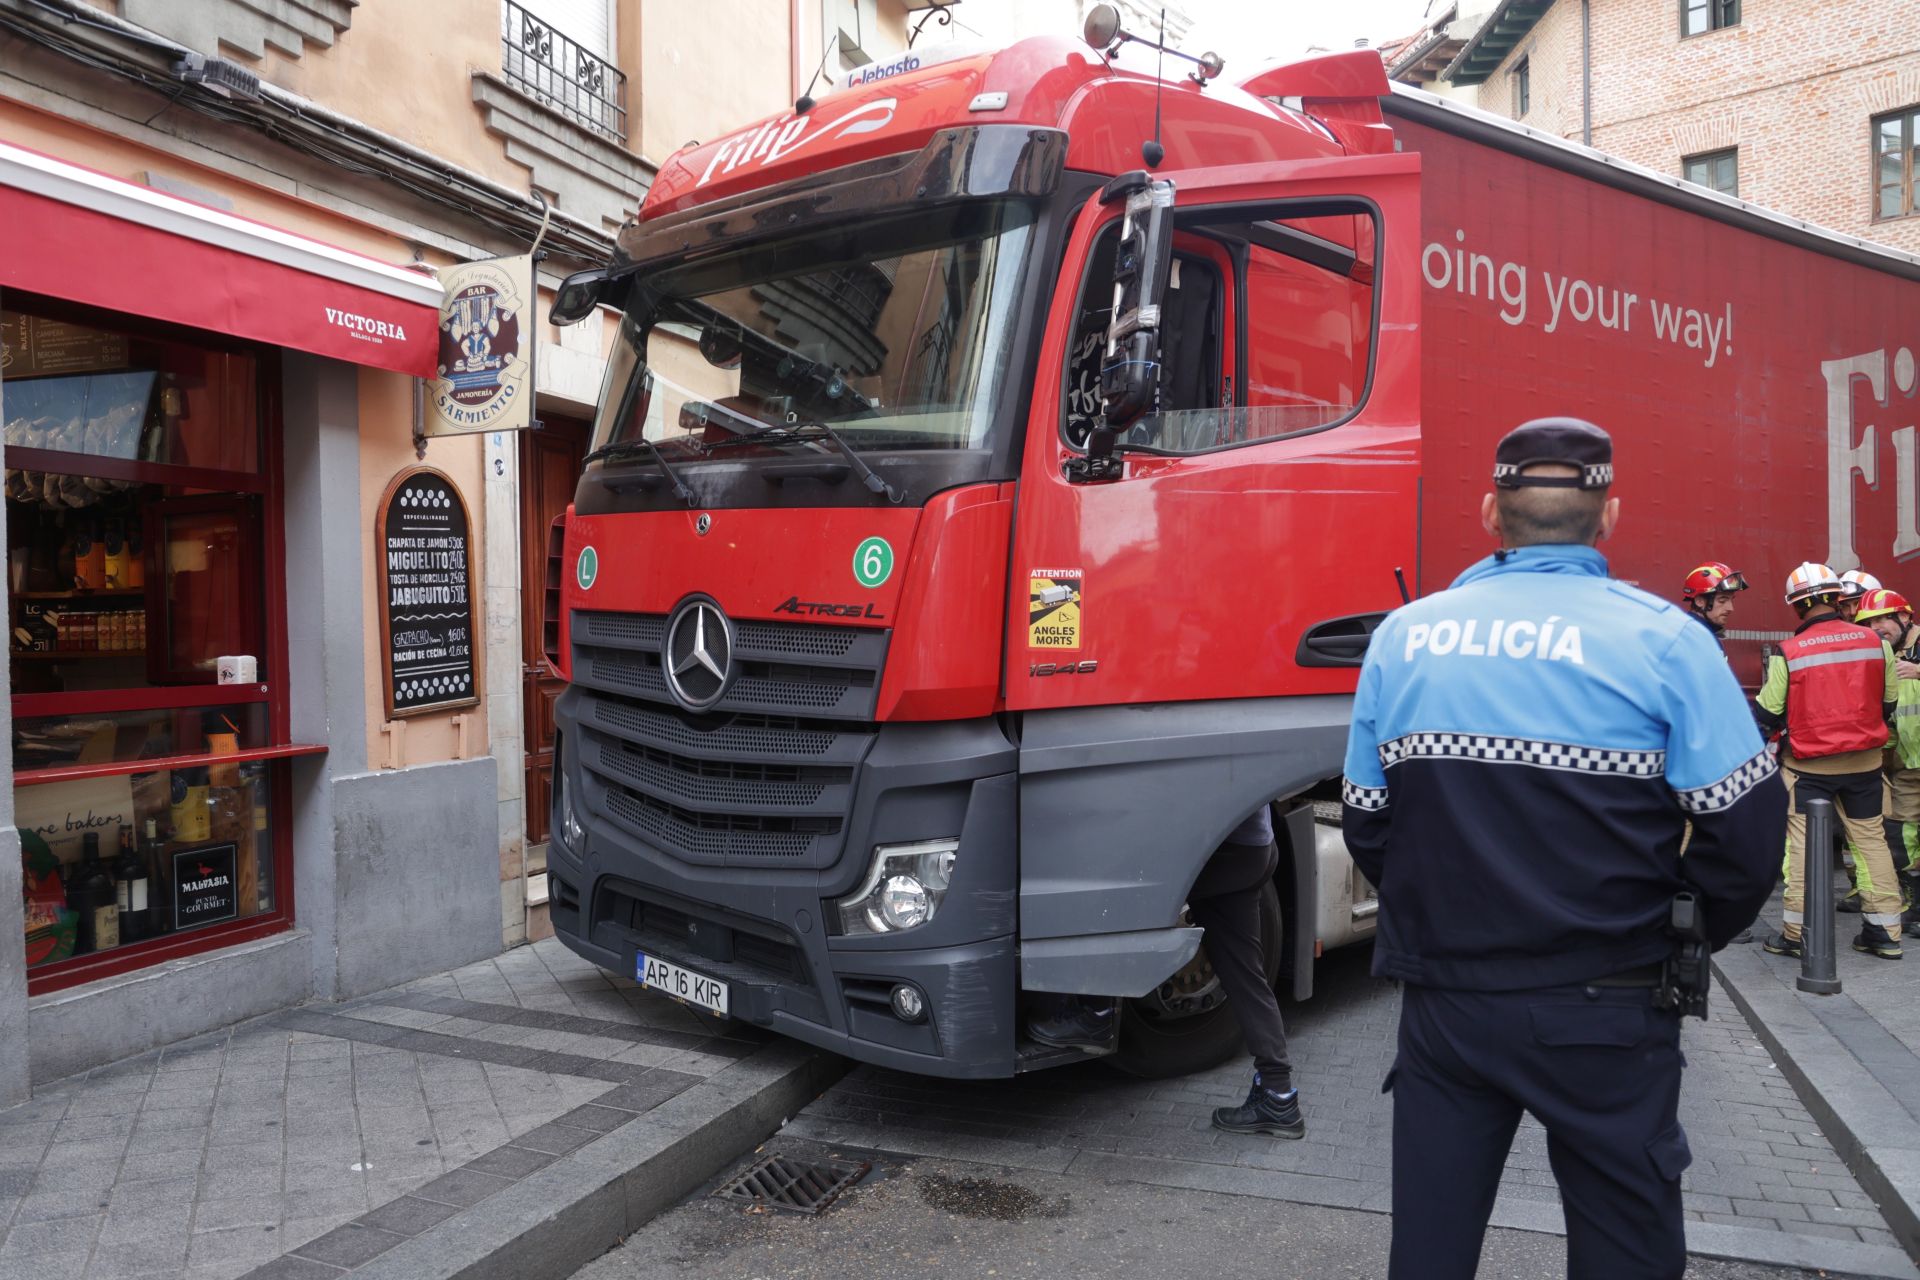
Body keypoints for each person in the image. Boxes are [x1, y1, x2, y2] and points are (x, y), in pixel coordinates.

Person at [1342, 417, 1785, 1280]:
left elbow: (1368, 821)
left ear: (1490, 512)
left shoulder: (1405, 637)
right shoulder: (1667, 641)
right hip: (1608, 1004)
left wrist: (1448, 912)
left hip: (1448, 1006)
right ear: (1608, 516)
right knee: (1625, 1243)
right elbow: (1747, 833)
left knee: (1430, 1246)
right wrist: (1679, 929)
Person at [1756, 564, 1905, 959]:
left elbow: (1768, 713)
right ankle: (1884, 933)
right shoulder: (1877, 644)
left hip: (1808, 769)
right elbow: (1888, 703)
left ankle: (1795, 934)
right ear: (1838, 598)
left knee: (1802, 850)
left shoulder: (1789, 652)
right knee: (1871, 842)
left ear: (1796, 606)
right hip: (1865, 765)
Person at [1186, 808, 1303, 1138]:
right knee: (1246, 975)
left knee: (1122, 895)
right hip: (1255, 845)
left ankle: (1094, 1010)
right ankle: (1278, 1095)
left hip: (1225, 851)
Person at [1856, 587, 1920, 933]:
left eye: (1882, 618)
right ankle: (1915, 903)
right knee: (1902, 833)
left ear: (1904, 616)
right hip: (1907, 764)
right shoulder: (1887, 656)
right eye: (1869, 623)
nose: (1876, 628)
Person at [1681, 561, 1748, 649]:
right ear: (1699, 601)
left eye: (1731, 600)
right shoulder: (1694, 639)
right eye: (1722, 600)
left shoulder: (1699, 634)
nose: (1731, 608)